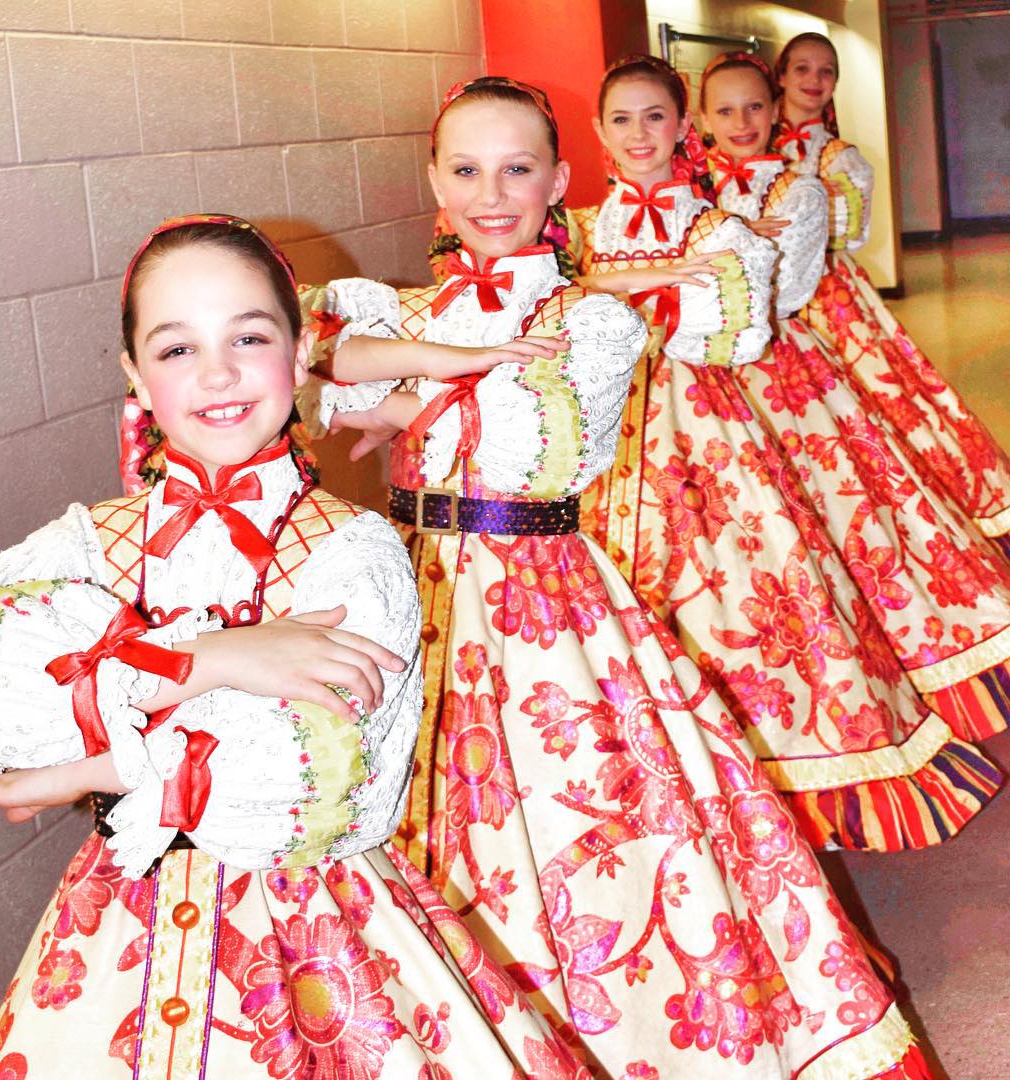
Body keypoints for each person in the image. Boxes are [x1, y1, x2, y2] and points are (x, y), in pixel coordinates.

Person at [303, 75, 930, 1077]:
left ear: (559, 180)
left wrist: (404, 372)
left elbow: (461, 411)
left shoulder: (592, 323)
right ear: (431, 176)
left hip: (541, 610)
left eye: (516, 169)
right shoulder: (392, 309)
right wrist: (413, 353)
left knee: (586, 826)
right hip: (405, 600)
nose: (490, 192)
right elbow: (298, 361)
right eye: (465, 169)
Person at [0, 214, 584, 1079]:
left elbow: (310, 781)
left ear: (304, 345)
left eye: (249, 334)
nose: (218, 373)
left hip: (320, 934)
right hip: (124, 926)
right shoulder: (90, 542)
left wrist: (86, 760)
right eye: (175, 350)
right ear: (135, 375)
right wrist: (220, 662)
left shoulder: (355, 549)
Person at [565, 54, 999, 854]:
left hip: (709, 427)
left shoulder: (731, 221)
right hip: (598, 433)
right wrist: (665, 276)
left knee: (744, 578)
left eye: (655, 117)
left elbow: (735, 327)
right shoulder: (583, 228)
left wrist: (632, 286)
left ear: (680, 126)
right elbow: (552, 308)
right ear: (596, 132)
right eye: (621, 119)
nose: (638, 134)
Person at [700, 51, 1010, 753]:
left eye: (823, 73)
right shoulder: (698, 187)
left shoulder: (821, 171)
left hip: (806, 323)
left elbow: (835, 250)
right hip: (718, 361)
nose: (812, 84)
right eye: (725, 110)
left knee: (857, 462)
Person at [775, 31, 1010, 564]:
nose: (814, 82)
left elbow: (849, 236)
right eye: (802, 70)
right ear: (781, 76)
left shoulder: (841, 159)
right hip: (767, 301)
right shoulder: (745, 146)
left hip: (829, 294)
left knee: (872, 406)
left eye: (826, 72)